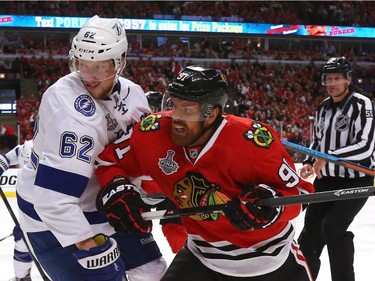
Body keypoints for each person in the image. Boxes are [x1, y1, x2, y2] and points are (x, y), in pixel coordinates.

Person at [95, 65, 315, 280]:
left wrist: (270, 206)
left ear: (212, 114)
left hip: (271, 262)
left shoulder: (253, 141)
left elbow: (301, 194)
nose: (177, 118)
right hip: (202, 257)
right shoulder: (151, 133)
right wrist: (117, 190)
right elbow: (107, 162)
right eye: (175, 105)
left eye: (187, 110)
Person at [15, 15, 167, 281]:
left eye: (99, 67)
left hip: (106, 203)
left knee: (153, 274)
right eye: (82, 65)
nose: (89, 77)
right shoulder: (69, 110)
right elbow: (53, 201)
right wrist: (85, 241)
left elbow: (136, 154)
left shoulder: (135, 94)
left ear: (119, 62)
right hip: (54, 218)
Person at [298, 57, 375, 281]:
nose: (332, 83)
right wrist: (309, 161)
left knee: (333, 227)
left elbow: (365, 147)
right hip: (326, 180)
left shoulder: (362, 104)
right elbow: (317, 142)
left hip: (356, 180)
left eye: (337, 78)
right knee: (309, 237)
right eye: (329, 79)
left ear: (348, 80)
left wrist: (327, 157)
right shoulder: (322, 107)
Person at [1, 140, 33, 281]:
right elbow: (6, 158)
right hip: (28, 206)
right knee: (22, 240)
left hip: (51, 207)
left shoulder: (51, 152)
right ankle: (22, 277)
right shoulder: (23, 149)